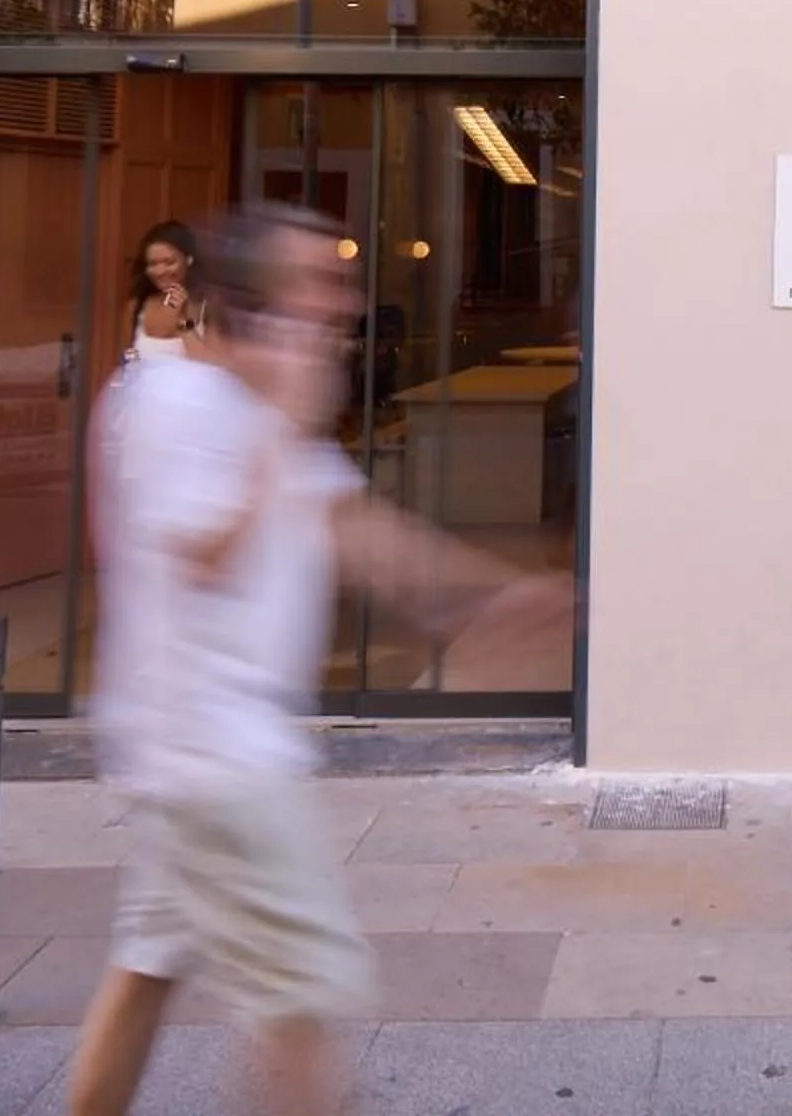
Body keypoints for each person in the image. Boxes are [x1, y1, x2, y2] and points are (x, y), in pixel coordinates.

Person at [68, 205, 570, 1116]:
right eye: (322, 280)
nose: (345, 299)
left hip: (192, 755)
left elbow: (361, 533)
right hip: (213, 760)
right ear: (254, 303)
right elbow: (204, 551)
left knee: (144, 970)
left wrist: (501, 599)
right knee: (301, 1004)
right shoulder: (182, 403)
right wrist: (283, 423)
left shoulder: (255, 408)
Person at [125, 221, 204, 363]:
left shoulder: (207, 306)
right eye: (152, 264)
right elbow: (129, 353)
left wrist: (182, 320)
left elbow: (210, 367)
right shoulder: (138, 305)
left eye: (169, 262)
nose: (160, 272)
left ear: (189, 260)